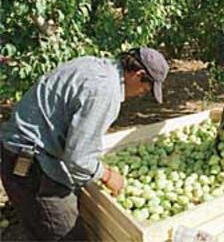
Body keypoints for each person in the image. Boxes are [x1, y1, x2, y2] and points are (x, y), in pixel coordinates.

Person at [0, 47, 169, 241]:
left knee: (39, 226)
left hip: (15, 150)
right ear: (138, 75)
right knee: (69, 236)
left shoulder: (94, 64)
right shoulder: (106, 92)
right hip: (31, 165)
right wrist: (107, 175)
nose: (141, 94)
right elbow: (77, 159)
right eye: (145, 89)